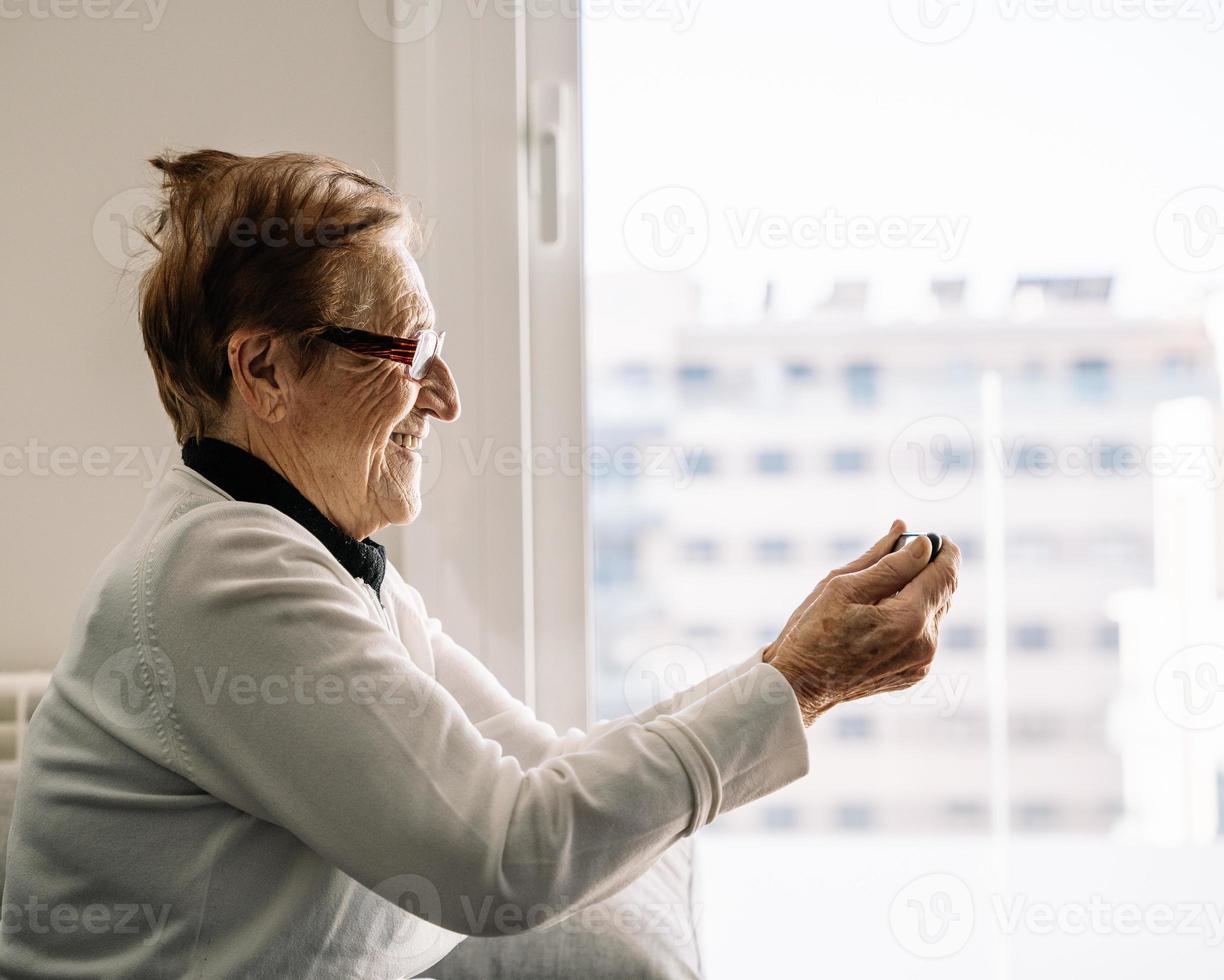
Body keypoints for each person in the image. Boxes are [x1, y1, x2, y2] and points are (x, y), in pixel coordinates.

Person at [0, 149, 959, 979]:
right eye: (406, 352)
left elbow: (545, 772)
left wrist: (789, 667)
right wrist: (800, 683)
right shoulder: (225, 575)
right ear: (265, 373)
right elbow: (501, 860)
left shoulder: (315, 561)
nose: (446, 397)